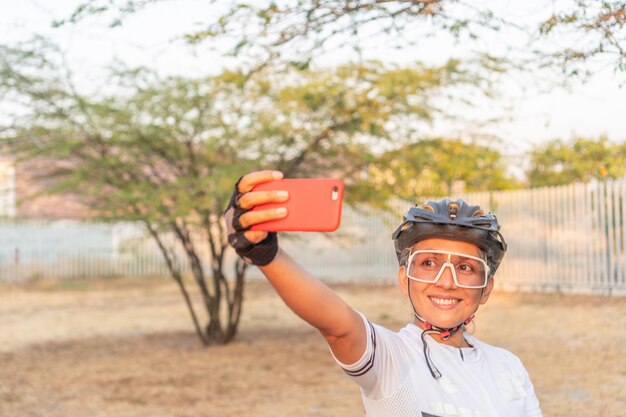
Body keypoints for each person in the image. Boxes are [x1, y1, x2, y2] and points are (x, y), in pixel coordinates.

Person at [224, 170, 543, 417]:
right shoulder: (393, 360)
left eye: (465, 268)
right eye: (429, 263)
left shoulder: (508, 366)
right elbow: (338, 327)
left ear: (486, 288)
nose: (447, 282)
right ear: (404, 279)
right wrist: (266, 255)